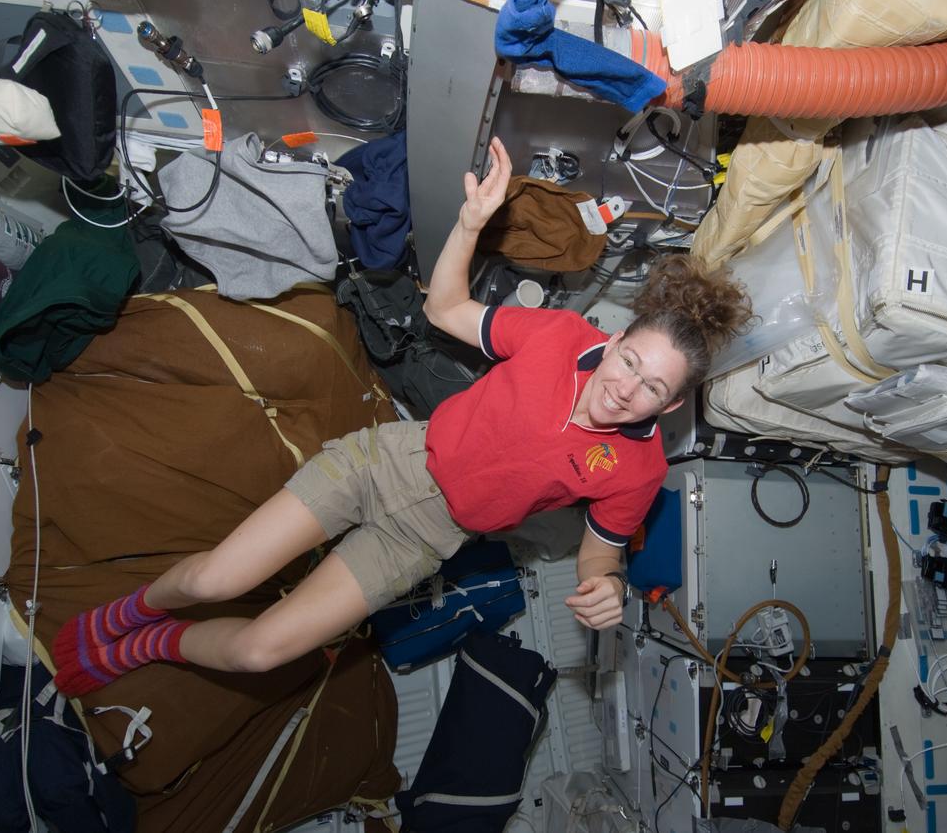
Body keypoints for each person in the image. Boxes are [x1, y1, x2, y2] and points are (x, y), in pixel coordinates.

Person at [52, 138, 753, 696]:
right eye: (630, 361)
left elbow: (601, 548)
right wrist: (470, 224)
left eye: (652, 387)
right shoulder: (561, 336)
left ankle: (152, 645)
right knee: (213, 583)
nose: (626, 389)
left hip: (426, 538)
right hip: (386, 465)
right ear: (617, 339)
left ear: (669, 405)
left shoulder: (639, 468)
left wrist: (607, 583)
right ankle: (134, 611)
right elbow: (444, 310)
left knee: (260, 652)